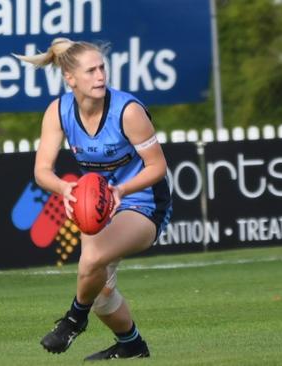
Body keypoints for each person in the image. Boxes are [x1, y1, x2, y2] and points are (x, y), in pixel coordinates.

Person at [14, 38, 172, 361]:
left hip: (143, 202)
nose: (100, 76)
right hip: (97, 202)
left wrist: (120, 191)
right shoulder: (58, 112)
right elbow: (43, 171)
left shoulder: (128, 111)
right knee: (101, 294)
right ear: (70, 79)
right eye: (90, 71)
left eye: (102, 68)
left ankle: (73, 320)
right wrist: (65, 189)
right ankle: (132, 345)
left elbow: (158, 166)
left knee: (91, 261)